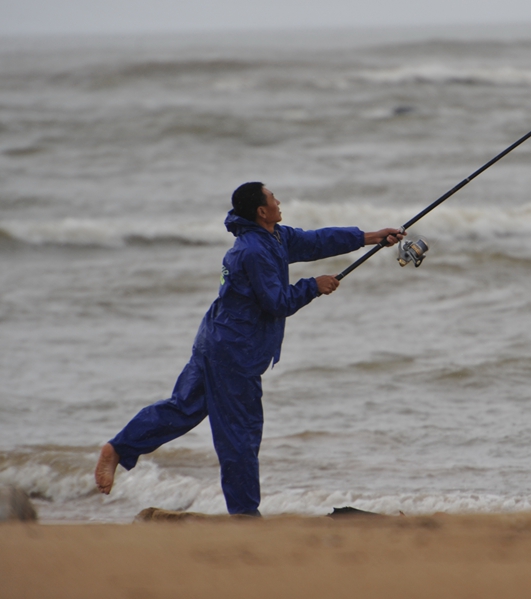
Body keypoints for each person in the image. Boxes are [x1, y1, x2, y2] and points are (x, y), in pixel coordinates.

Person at [94, 182, 404, 516]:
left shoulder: (272, 238)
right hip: (233, 353)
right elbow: (276, 303)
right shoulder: (254, 251)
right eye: (273, 198)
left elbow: (315, 240)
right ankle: (244, 516)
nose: (279, 201)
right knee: (240, 436)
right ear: (261, 211)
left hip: (216, 341)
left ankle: (118, 448)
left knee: (182, 409)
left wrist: (370, 237)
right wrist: (313, 286)